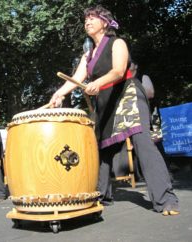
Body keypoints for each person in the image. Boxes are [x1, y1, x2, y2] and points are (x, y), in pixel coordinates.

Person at [50, 5, 179, 215]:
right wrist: (59, 94)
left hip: (127, 94)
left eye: (92, 18)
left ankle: (165, 200)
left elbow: (119, 71)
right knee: (100, 149)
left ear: (105, 22)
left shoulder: (117, 42)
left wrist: (98, 83)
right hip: (105, 100)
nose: (87, 22)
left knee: (142, 142)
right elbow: (76, 79)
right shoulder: (88, 55)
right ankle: (101, 196)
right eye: (86, 20)